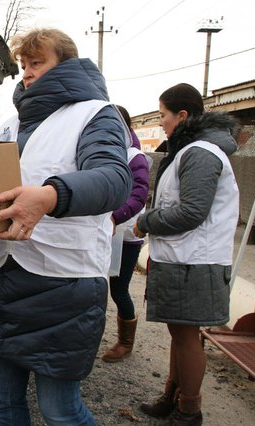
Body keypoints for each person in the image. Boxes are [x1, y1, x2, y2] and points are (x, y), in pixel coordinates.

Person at [0, 28, 132, 425]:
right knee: (0, 397)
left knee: (59, 409)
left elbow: (114, 179)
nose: (26, 73)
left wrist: (49, 196)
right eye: (23, 65)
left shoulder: (96, 113)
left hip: (66, 282)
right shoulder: (11, 125)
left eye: (37, 63)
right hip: (11, 274)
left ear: (67, 64)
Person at [133, 83, 239, 426]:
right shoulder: (189, 149)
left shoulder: (201, 152)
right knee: (180, 336)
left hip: (195, 261)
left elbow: (192, 212)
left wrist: (146, 222)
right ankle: (173, 397)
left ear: (182, 115)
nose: (161, 122)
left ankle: (189, 410)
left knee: (187, 338)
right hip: (183, 259)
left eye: (163, 115)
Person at [101, 105, 151, 363]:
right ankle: (89, 335)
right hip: (103, 232)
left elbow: (139, 195)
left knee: (119, 289)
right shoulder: (107, 151)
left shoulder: (134, 156)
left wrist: (114, 216)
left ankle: (125, 342)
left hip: (126, 235)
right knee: (95, 285)